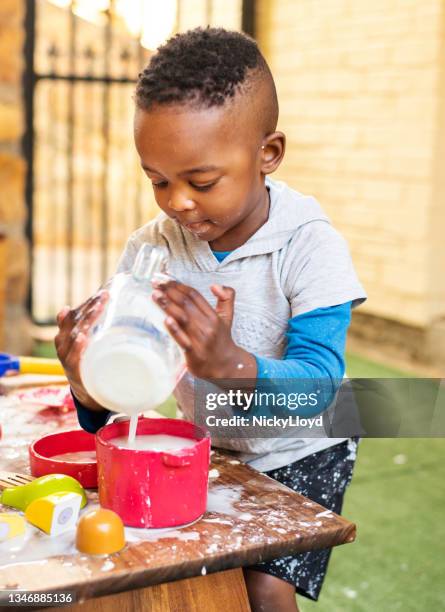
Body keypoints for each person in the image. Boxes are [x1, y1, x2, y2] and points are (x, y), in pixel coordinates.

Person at [55, 27, 366, 612]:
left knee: (260, 583)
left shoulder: (309, 246)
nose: (177, 202)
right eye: (157, 180)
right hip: (208, 441)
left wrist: (232, 365)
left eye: (201, 181)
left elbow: (323, 385)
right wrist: (84, 380)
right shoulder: (153, 249)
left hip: (301, 448)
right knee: (165, 564)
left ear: (267, 153)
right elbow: (112, 410)